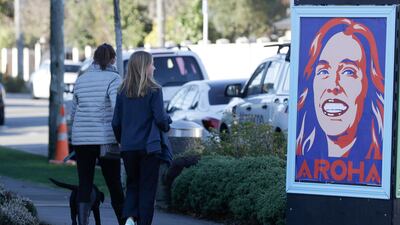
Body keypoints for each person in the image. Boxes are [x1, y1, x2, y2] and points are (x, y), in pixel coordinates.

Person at [296, 18, 384, 184]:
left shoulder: (378, 164)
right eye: (323, 71)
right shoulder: (304, 158)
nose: (332, 85)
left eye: (348, 72)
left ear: (368, 86)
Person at [112, 51, 172, 225]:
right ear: (145, 67)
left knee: (132, 185)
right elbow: (161, 119)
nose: (154, 67)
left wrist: (122, 140)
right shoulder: (154, 90)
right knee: (147, 189)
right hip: (149, 148)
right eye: (152, 64)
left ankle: (130, 219)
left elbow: (115, 122)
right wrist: (167, 124)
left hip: (128, 147)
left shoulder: (122, 91)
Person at [70, 43, 124, 225]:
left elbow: (73, 111)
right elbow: (118, 109)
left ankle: (83, 222)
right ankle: (124, 222)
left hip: (81, 139)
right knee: (114, 185)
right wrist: (121, 136)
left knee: (84, 183)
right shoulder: (114, 78)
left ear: (94, 59)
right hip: (106, 140)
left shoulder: (82, 79)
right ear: (113, 59)